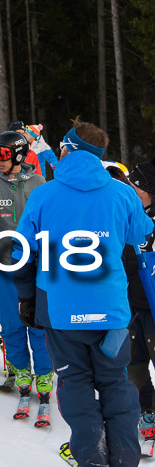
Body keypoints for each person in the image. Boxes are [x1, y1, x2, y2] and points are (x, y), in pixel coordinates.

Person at [12, 118, 153, 467]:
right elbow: (144, 236)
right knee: (116, 384)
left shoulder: (43, 194)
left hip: (62, 311)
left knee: (74, 382)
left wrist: (27, 298)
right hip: (112, 312)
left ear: (67, 149)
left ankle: (90, 458)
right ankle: (124, 460)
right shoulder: (122, 193)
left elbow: (20, 253)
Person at [0, 131, 52, 397]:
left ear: (19, 154)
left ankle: (43, 371)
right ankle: (20, 368)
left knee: (38, 321)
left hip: (35, 265)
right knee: (11, 321)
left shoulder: (39, 182)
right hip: (3, 265)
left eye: (4, 154)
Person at [122, 159, 155, 446]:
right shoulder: (127, 215)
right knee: (134, 365)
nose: (130, 189)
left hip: (153, 305)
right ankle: (147, 411)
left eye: (136, 186)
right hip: (132, 304)